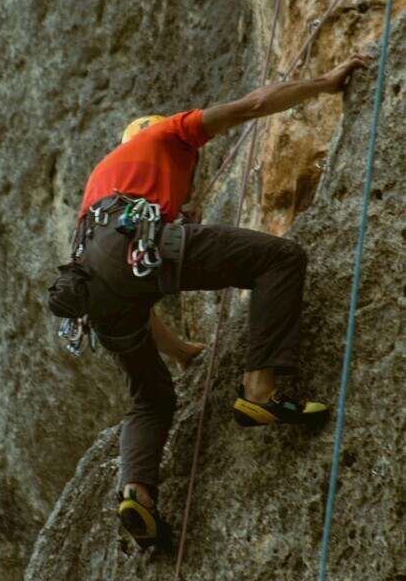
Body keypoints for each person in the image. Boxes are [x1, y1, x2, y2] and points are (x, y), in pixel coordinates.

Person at [72, 54, 372, 549]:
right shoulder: (166, 133)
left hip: (88, 280)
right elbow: (253, 104)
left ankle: (137, 494)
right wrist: (324, 82)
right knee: (279, 259)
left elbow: (131, 299)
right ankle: (260, 391)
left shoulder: (103, 180)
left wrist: (183, 353)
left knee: (149, 398)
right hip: (134, 247)